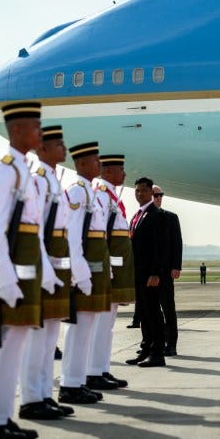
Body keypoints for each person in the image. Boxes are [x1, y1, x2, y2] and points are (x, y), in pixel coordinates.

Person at [0, 101, 51, 439]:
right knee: (0, 347)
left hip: (25, 267)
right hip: (9, 271)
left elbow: (33, 230)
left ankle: (2, 418)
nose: (40, 133)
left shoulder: (24, 171)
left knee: (14, 346)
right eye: (35, 126)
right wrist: (3, 277)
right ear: (17, 130)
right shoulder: (5, 170)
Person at [19, 124, 82, 417]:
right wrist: (44, 267)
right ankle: (31, 398)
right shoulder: (40, 181)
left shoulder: (54, 182)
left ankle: (44, 394)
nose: (64, 150)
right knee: (38, 336)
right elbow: (38, 231)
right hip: (46, 264)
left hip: (58, 263)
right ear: (42, 149)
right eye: (58, 144)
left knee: (49, 336)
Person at [60, 142, 114, 398]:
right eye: (95, 161)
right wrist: (79, 272)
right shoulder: (78, 192)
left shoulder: (90, 193)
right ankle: (70, 383)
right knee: (80, 326)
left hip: (94, 269)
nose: (99, 166)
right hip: (83, 271)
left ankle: (78, 380)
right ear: (81, 164)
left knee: (87, 326)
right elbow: (73, 236)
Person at [93, 155, 131, 387]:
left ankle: (101, 368)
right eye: (120, 170)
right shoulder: (101, 196)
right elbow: (100, 237)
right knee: (100, 324)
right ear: (107, 172)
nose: (124, 175)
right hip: (106, 270)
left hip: (114, 270)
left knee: (107, 325)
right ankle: (94, 371)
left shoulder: (111, 197)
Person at [128, 177, 170, 367]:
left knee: (153, 313)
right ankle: (146, 349)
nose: (139, 194)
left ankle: (157, 353)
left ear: (151, 194)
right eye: (137, 191)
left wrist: (156, 273)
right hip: (138, 274)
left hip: (150, 275)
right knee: (144, 313)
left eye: (144, 191)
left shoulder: (156, 215)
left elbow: (160, 248)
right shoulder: (138, 215)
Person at [152, 186, 182, 355]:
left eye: (160, 195)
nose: (158, 198)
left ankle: (171, 344)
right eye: (156, 195)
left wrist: (176, 266)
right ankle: (152, 343)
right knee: (149, 311)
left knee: (168, 309)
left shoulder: (170, 218)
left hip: (165, 272)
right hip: (147, 273)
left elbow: (177, 243)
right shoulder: (141, 217)